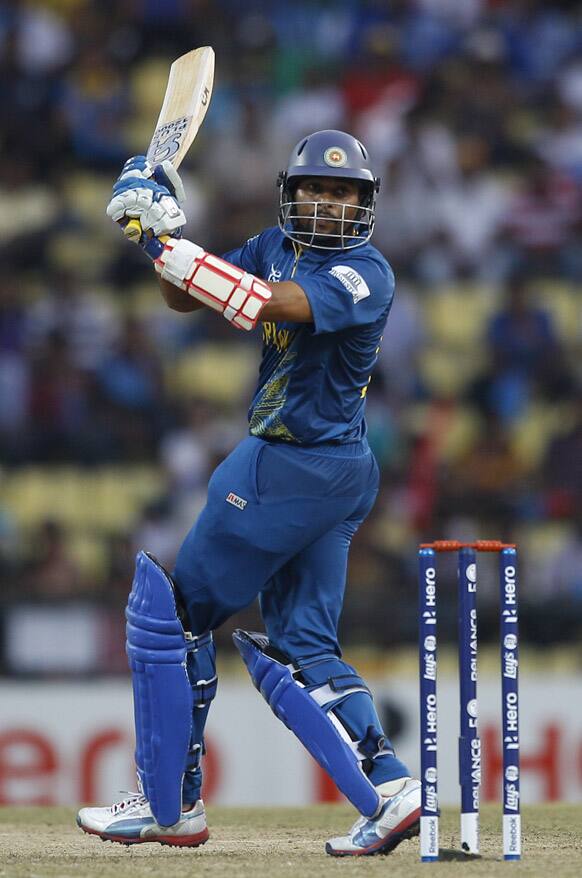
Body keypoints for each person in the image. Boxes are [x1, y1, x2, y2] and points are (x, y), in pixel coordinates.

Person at [76, 130, 421, 856]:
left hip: (290, 466)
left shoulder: (367, 274)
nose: (328, 204)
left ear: (365, 205)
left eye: (344, 193)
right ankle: (390, 789)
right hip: (335, 472)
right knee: (303, 644)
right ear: (290, 194)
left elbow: (262, 305)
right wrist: (166, 221)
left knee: (173, 616)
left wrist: (154, 239)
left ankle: (172, 804)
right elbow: (183, 299)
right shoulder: (272, 242)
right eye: (315, 190)